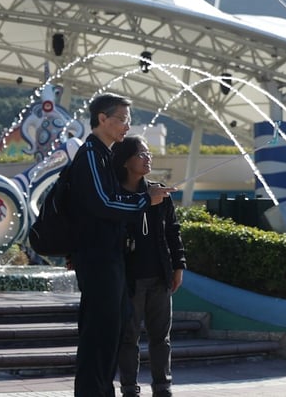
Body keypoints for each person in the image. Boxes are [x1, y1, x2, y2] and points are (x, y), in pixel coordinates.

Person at [69, 94, 173, 397]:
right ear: (102, 119)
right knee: (99, 336)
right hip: (98, 259)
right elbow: (103, 203)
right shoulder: (91, 153)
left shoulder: (102, 155)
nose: (127, 126)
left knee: (109, 336)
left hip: (108, 258)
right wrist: (145, 200)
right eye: (123, 119)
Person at [114, 136, 187, 397]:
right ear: (125, 161)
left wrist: (178, 266)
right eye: (141, 154)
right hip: (129, 279)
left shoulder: (159, 191)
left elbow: (173, 233)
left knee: (161, 338)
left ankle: (162, 387)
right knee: (128, 338)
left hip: (159, 276)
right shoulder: (115, 195)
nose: (148, 158)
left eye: (148, 154)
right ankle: (129, 388)